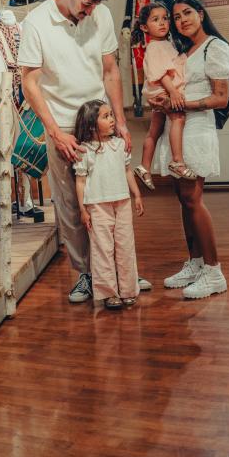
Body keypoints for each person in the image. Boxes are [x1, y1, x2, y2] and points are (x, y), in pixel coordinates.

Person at [18, 0, 150, 303]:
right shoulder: (36, 23)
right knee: (72, 204)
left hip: (100, 118)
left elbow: (110, 70)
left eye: (95, 5)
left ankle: (121, 272)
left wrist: (119, 121)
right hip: (62, 122)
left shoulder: (101, 15)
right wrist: (54, 132)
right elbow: (29, 81)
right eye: (85, 4)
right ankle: (86, 275)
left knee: (112, 197)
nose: (90, 11)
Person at [149, 0, 229, 299]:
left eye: (187, 13)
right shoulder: (185, 50)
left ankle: (214, 271)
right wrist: (164, 100)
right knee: (182, 197)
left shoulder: (215, 47)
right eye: (176, 16)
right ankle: (196, 263)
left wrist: (184, 103)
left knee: (193, 197)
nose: (182, 20)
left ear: (200, 13)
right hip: (177, 125)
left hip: (196, 126)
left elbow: (221, 97)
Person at [72, 100, 144, 310]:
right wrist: (83, 209)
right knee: (102, 249)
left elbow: (127, 170)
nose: (112, 120)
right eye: (106, 116)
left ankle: (128, 290)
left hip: (122, 203)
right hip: (97, 207)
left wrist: (137, 194)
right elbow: (81, 181)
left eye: (111, 115)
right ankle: (109, 292)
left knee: (125, 247)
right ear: (91, 124)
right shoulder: (84, 151)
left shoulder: (120, 145)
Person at [133, 2, 193, 189]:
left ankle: (144, 166)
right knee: (178, 118)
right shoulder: (156, 46)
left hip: (160, 89)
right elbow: (162, 73)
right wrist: (173, 92)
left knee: (155, 130)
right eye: (155, 19)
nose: (162, 23)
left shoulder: (163, 44)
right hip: (164, 90)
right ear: (144, 27)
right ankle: (177, 160)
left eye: (165, 19)